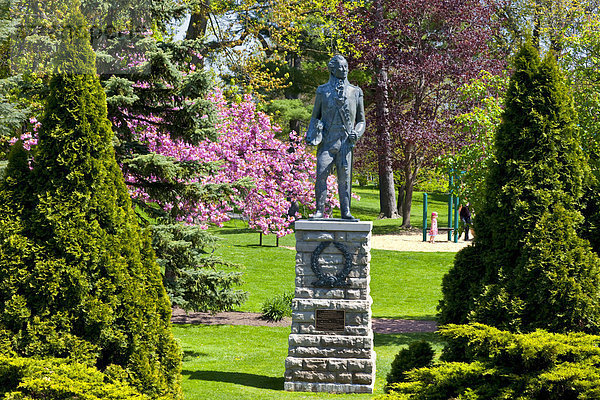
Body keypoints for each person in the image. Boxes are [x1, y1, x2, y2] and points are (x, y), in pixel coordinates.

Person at [305, 55, 366, 220]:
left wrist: (357, 132)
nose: (345, 70)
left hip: (345, 141)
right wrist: (313, 132)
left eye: (346, 66)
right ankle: (319, 210)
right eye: (341, 67)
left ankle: (346, 211)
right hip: (327, 141)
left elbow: (361, 120)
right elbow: (314, 116)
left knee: (345, 178)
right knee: (321, 174)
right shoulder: (322, 90)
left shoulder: (355, 92)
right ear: (332, 69)